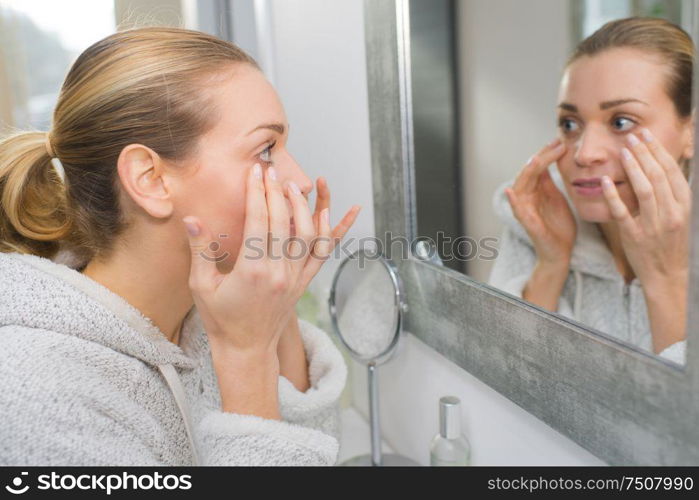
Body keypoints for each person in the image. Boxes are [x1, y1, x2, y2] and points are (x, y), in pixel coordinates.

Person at [0, 26, 361, 465]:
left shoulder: (213, 321)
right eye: (266, 149)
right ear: (150, 179)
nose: (301, 181)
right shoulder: (34, 391)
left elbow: (308, 456)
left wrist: (278, 310)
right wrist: (245, 355)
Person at [489, 17, 692, 364]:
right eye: (570, 124)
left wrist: (665, 278)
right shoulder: (535, 217)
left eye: (621, 122)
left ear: (692, 132)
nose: (584, 154)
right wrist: (551, 264)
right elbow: (504, 373)